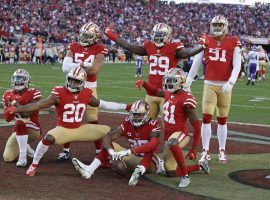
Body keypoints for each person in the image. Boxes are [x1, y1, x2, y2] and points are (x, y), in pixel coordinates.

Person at [6, 67, 130, 176]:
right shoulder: (58, 93)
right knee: (48, 138)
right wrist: (17, 108)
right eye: (71, 79)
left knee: (109, 131)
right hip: (63, 129)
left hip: (80, 129)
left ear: (82, 83)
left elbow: (104, 104)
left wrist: (125, 107)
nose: (72, 82)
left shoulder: (86, 93)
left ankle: (105, 158)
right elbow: (38, 105)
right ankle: (34, 164)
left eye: (76, 81)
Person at [105, 23, 207, 124]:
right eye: (156, 34)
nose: (157, 38)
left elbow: (189, 52)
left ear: (167, 36)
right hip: (151, 92)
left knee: (169, 126)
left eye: (160, 35)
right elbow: (129, 46)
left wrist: (202, 46)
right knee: (146, 125)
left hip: (167, 93)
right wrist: (111, 35)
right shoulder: (149, 46)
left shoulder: (174, 47)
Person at [135, 68, 210, 188]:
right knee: (171, 172)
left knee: (172, 143)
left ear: (180, 82)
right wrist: (144, 84)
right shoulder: (168, 93)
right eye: (167, 80)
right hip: (169, 135)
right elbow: (155, 91)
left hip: (181, 133)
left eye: (171, 80)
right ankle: (200, 166)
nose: (168, 83)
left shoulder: (186, 99)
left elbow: (196, 125)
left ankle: (185, 177)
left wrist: (194, 149)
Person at [185, 15, 242, 163]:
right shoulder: (206, 40)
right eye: (215, 25)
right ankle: (205, 151)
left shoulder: (233, 40)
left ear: (225, 26)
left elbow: (237, 63)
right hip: (209, 83)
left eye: (219, 25)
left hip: (225, 86)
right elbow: (197, 61)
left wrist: (232, 81)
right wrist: (189, 80)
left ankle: (222, 150)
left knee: (222, 119)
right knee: (206, 118)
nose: (217, 27)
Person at [72, 100, 164, 186]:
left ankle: (140, 169)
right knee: (108, 145)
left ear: (146, 115)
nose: (135, 117)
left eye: (138, 115)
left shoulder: (153, 125)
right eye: (133, 114)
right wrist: (110, 151)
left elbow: (153, 144)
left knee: (149, 150)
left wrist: (129, 152)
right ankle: (89, 170)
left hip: (150, 162)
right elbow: (108, 137)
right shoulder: (128, 122)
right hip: (133, 156)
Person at [59, 22, 108, 161]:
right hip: (70, 86)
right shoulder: (74, 46)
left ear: (95, 37)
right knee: (68, 118)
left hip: (89, 87)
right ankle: (65, 150)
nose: (85, 38)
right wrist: (83, 64)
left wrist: (73, 67)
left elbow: (93, 70)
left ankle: (99, 150)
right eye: (84, 35)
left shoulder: (100, 48)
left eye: (88, 36)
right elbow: (64, 67)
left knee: (93, 118)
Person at [2, 69, 41, 167]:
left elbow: (26, 114)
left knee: (19, 123)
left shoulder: (34, 92)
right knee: (7, 157)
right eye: (15, 78)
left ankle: (23, 157)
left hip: (33, 128)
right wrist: (9, 107)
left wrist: (14, 103)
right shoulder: (7, 94)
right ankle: (27, 148)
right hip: (18, 129)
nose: (17, 81)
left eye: (20, 78)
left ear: (27, 80)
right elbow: (7, 118)